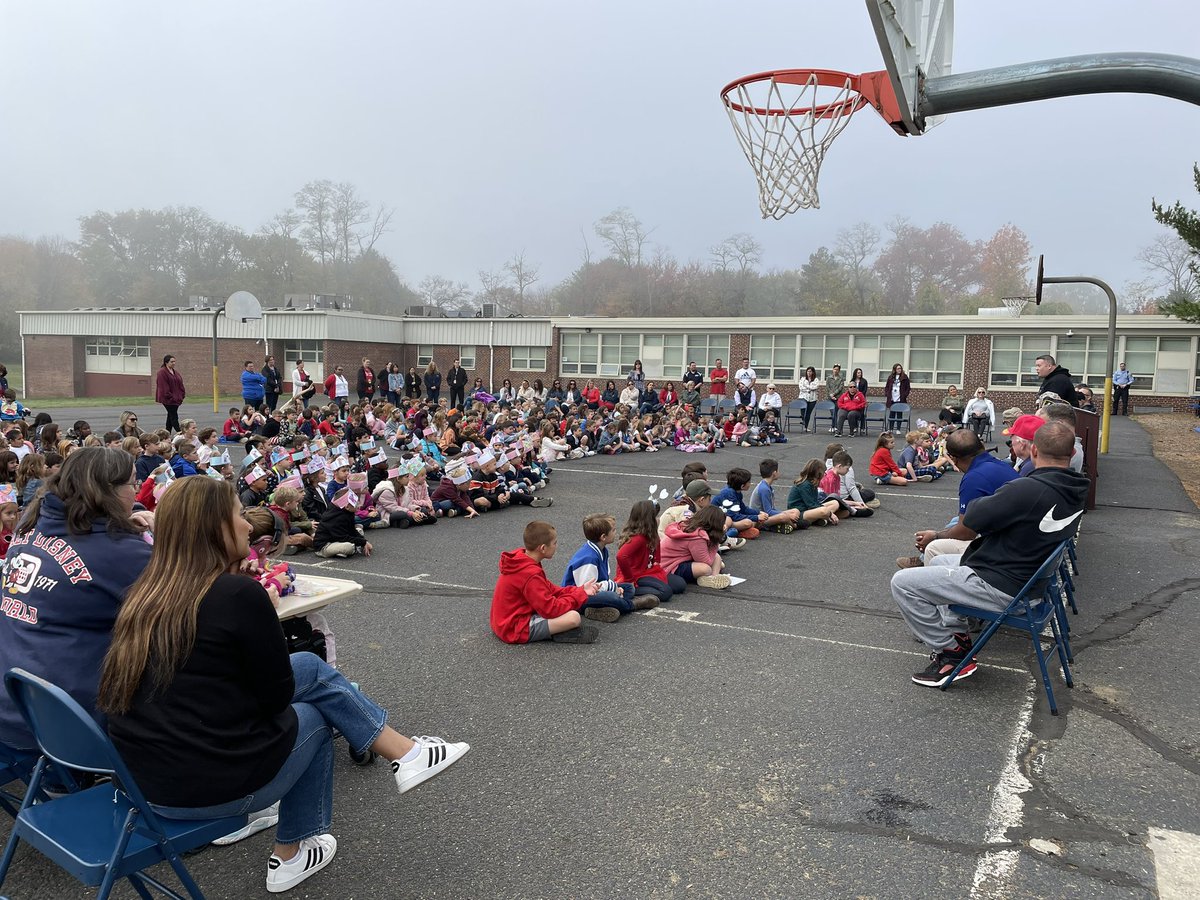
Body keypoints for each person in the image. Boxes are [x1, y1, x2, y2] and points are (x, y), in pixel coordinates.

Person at [97, 476, 468, 893]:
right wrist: (256, 604)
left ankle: (407, 753)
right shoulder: (237, 595)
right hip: (206, 790)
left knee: (308, 666)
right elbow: (274, 698)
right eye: (238, 515)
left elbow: (197, 678)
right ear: (215, 528)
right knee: (315, 714)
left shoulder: (143, 593)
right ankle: (293, 852)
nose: (247, 525)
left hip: (140, 783)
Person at [890, 422, 1088, 687]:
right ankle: (958, 635)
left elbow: (973, 518)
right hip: (1029, 579)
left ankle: (952, 654)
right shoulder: (1077, 487)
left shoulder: (1028, 489)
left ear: (1034, 451)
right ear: (1072, 454)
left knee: (902, 583)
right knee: (938, 560)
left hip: (1006, 587)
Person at [0, 448, 154, 751]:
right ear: (108, 490)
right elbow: (195, 603)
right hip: (65, 729)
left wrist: (128, 515)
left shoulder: (30, 523)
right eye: (133, 483)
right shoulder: (122, 554)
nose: (136, 491)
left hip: (14, 701)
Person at [896, 428, 1020, 569]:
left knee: (934, 547)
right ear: (981, 446)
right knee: (956, 521)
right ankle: (923, 559)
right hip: (1022, 539)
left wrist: (935, 536)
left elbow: (966, 533)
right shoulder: (1001, 465)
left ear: (953, 458)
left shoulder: (974, 478)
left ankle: (926, 565)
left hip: (1006, 551)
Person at [491, 520, 603, 645]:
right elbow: (550, 609)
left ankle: (555, 630)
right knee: (573, 618)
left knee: (566, 607)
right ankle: (557, 632)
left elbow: (550, 589)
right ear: (543, 548)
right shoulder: (530, 574)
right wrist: (580, 596)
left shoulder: (523, 560)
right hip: (513, 628)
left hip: (502, 621)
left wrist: (580, 590)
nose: (556, 546)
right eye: (554, 543)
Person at [561, 514, 640, 620]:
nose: (616, 532)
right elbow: (587, 589)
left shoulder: (602, 550)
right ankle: (632, 605)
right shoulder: (589, 558)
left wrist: (614, 588)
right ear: (603, 537)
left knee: (629, 588)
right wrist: (614, 589)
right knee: (612, 597)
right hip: (579, 598)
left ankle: (599, 609)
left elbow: (604, 579)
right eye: (613, 530)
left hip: (596, 589)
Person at [616, 500, 686, 604]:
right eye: (656, 516)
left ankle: (642, 587)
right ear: (649, 520)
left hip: (649, 571)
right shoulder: (638, 538)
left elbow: (656, 558)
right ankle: (626, 589)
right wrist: (629, 579)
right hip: (636, 574)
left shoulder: (651, 534)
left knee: (680, 584)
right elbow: (621, 556)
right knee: (665, 592)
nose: (659, 519)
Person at [659, 505, 731, 589]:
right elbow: (706, 562)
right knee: (706, 569)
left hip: (677, 559)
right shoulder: (697, 537)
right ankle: (710, 576)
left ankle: (713, 577)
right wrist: (716, 540)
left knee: (717, 557)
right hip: (670, 565)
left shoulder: (692, 527)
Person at [748, 458, 802, 532]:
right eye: (778, 471)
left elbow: (772, 510)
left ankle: (779, 525)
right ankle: (794, 526)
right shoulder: (764, 489)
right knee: (783, 517)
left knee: (796, 511)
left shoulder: (767, 486)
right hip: (759, 520)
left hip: (766, 516)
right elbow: (768, 511)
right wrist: (787, 515)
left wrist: (787, 514)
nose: (778, 473)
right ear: (774, 473)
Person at [787, 459, 842, 525]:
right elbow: (811, 505)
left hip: (807, 509)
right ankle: (818, 519)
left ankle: (819, 519)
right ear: (818, 473)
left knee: (835, 503)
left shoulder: (812, 483)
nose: (825, 474)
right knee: (824, 511)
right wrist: (830, 513)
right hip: (799, 513)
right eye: (824, 472)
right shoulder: (805, 485)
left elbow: (815, 503)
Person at [155, 354, 186, 432]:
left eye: (174, 361)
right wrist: (171, 397)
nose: (174, 363)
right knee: (174, 416)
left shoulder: (175, 372)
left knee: (170, 416)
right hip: (168, 399)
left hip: (176, 398)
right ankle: (180, 432)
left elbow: (180, 383)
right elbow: (163, 386)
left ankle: (167, 433)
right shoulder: (162, 372)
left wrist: (182, 394)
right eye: (172, 362)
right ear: (166, 362)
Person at [883, 363, 910, 429]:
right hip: (892, 398)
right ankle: (891, 428)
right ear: (895, 369)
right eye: (898, 368)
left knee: (899, 414)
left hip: (900, 398)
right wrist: (887, 394)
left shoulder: (905, 377)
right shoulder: (891, 377)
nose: (899, 370)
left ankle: (898, 429)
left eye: (900, 368)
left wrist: (904, 395)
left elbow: (908, 388)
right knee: (892, 414)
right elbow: (887, 387)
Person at [797, 366, 821, 432]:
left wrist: (807, 386)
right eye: (808, 371)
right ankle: (803, 421)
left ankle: (805, 427)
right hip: (803, 397)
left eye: (810, 371)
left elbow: (815, 387)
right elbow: (801, 388)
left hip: (812, 399)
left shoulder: (816, 380)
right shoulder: (803, 379)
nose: (809, 373)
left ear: (813, 372)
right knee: (803, 410)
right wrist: (809, 389)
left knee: (808, 413)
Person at [824, 365, 846, 432]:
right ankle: (833, 426)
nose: (835, 371)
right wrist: (831, 395)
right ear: (832, 369)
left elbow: (840, 388)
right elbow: (827, 387)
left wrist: (834, 394)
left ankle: (836, 426)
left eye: (837, 369)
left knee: (836, 412)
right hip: (830, 398)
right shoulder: (829, 378)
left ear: (839, 371)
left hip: (838, 398)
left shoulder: (841, 379)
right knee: (832, 412)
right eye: (834, 369)